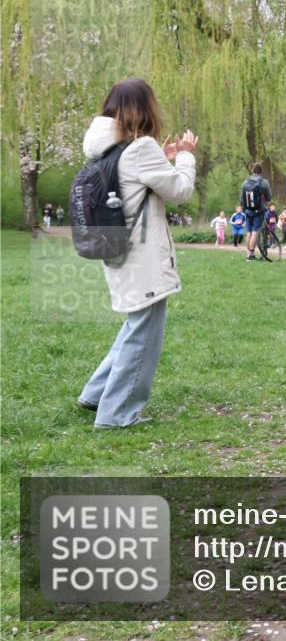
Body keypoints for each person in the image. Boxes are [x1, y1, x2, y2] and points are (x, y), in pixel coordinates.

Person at [77, 78, 198, 428]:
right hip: (142, 254)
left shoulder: (106, 148)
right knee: (145, 331)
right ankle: (117, 414)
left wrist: (165, 159)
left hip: (117, 250)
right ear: (145, 108)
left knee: (136, 323)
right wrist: (187, 156)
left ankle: (96, 393)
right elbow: (181, 190)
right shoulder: (140, 147)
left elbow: (135, 181)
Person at [240, 162, 272, 261]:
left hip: (248, 210)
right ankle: (252, 254)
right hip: (258, 211)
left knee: (248, 232)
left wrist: (245, 208)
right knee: (255, 232)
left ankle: (247, 253)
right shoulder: (264, 182)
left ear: (252, 170)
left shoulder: (245, 182)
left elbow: (242, 199)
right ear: (261, 171)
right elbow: (269, 197)